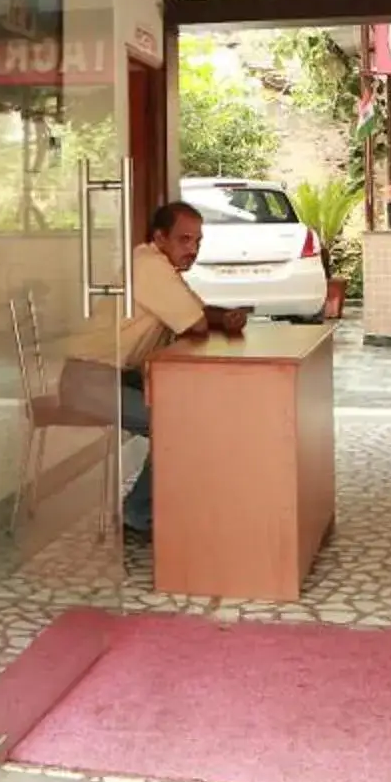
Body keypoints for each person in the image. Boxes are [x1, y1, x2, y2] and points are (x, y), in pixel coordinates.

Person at [114, 200, 245, 538]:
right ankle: (136, 514)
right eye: (185, 240)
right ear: (160, 238)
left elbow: (196, 310)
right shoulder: (148, 265)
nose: (193, 250)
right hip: (88, 380)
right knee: (178, 426)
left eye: (198, 242)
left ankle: (165, 504)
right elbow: (196, 324)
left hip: (121, 374)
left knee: (190, 412)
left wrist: (223, 315)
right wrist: (213, 319)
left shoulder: (161, 265)